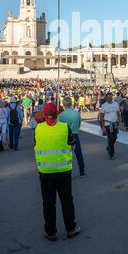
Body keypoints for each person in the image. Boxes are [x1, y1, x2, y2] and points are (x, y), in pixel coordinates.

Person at [34, 102, 80, 241]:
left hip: (45, 171)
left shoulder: (38, 128)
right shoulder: (65, 127)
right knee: (66, 200)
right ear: (57, 115)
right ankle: (71, 228)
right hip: (63, 170)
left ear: (44, 115)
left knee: (48, 203)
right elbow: (73, 144)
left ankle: (50, 231)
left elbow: (35, 144)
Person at [59, 96, 85, 177]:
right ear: (71, 104)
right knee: (79, 154)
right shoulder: (76, 113)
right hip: (74, 135)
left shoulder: (61, 115)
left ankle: (65, 173)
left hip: (64, 136)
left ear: (63, 104)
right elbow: (79, 124)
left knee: (64, 156)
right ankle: (82, 171)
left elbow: (59, 127)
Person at [99, 92, 121, 160]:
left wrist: (120, 121)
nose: (109, 98)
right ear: (106, 98)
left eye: (110, 97)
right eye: (108, 97)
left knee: (115, 137)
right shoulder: (104, 105)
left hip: (115, 123)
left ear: (112, 97)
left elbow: (118, 113)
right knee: (110, 138)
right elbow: (101, 117)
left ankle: (109, 146)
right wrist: (103, 127)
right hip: (107, 124)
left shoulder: (116, 104)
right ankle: (111, 154)